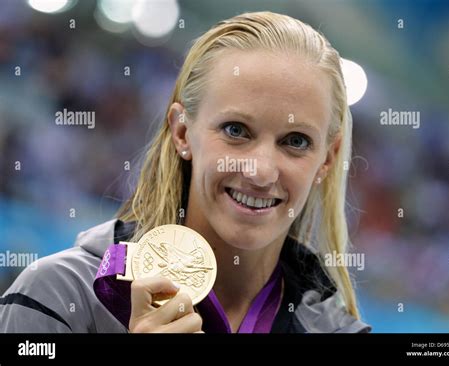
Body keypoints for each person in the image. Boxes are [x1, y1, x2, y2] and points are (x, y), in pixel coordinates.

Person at [0, 11, 370, 333]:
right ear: (182, 133)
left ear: (327, 158)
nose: (260, 172)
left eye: (296, 141)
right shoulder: (59, 295)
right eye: (236, 131)